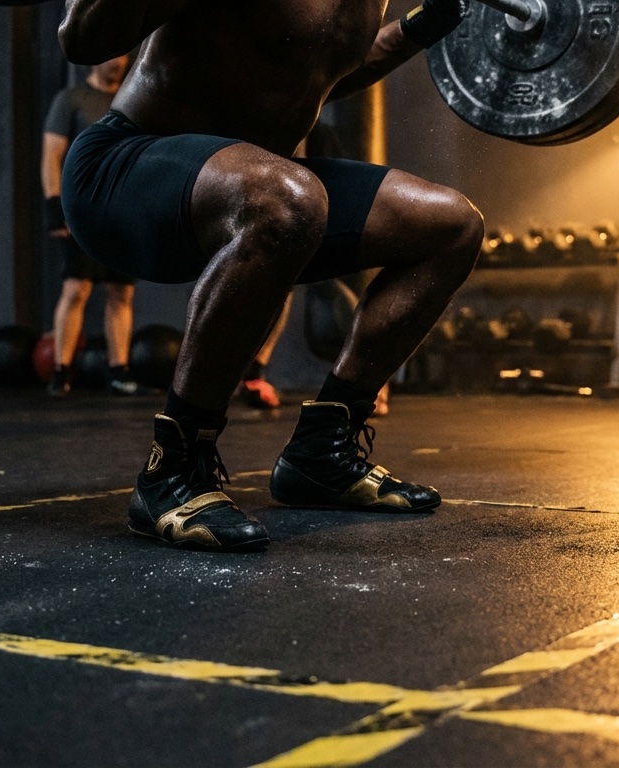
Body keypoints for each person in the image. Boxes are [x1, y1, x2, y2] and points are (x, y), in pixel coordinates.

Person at [59, 0, 481, 552]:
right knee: (288, 200)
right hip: (127, 171)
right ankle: (174, 470)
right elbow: (81, 41)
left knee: (450, 226)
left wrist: (420, 26)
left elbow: (331, 72)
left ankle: (322, 454)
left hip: (257, 188)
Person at [41, 54, 137, 397]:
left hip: (121, 213)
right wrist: (56, 207)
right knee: (76, 289)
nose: (118, 62)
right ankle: (62, 371)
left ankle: (118, 371)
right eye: (111, 54)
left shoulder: (133, 98)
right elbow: (52, 155)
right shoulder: (71, 100)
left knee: (121, 292)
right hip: (82, 210)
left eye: (124, 54)